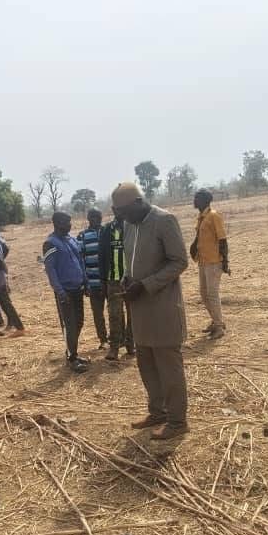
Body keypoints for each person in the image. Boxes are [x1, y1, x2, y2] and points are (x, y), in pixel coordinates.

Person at [111, 182, 189, 439]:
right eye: (119, 213)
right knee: (147, 364)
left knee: (168, 366)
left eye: (125, 212)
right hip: (140, 308)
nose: (122, 217)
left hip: (163, 306)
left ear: (138, 202)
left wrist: (146, 285)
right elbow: (131, 260)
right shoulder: (129, 225)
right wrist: (126, 278)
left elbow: (179, 261)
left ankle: (177, 421)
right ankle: (158, 412)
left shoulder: (164, 220)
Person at [43, 211, 89, 372]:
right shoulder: (50, 243)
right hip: (65, 292)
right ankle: (72, 358)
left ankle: (72, 352)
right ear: (56, 223)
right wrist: (60, 292)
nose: (69, 225)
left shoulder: (72, 239)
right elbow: (51, 270)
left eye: (70, 222)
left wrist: (85, 282)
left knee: (79, 322)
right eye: (66, 222)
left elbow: (80, 261)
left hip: (78, 289)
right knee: (70, 326)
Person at [189, 188, 229, 339]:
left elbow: (223, 240)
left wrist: (225, 261)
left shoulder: (214, 216)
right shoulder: (201, 217)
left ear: (205, 200)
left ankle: (219, 327)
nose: (194, 200)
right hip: (203, 261)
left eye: (197, 198)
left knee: (212, 295)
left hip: (213, 261)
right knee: (204, 294)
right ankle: (216, 321)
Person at [99, 209, 135, 360]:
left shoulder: (133, 227)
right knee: (114, 314)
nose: (120, 211)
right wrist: (103, 280)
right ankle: (114, 347)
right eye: (117, 208)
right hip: (113, 279)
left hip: (132, 280)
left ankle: (131, 344)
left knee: (133, 313)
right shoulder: (107, 230)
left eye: (123, 207)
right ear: (113, 210)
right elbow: (101, 255)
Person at [78, 208, 109, 349]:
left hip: (110, 281)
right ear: (88, 218)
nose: (96, 219)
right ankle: (103, 340)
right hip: (93, 283)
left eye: (99, 216)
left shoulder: (108, 232)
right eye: (93, 216)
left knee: (116, 311)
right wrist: (85, 283)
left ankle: (118, 338)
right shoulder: (82, 236)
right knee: (98, 313)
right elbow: (80, 260)